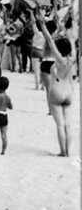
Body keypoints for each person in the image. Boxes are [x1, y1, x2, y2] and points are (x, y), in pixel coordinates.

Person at [36, 9, 75, 157]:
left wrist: (42, 24)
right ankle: (68, 152)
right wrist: (68, 22)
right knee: (68, 124)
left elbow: (50, 40)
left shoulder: (59, 59)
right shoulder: (72, 59)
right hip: (69, 91)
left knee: (59, 124)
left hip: (56, 91)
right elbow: (71, 38)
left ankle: (62, 151)